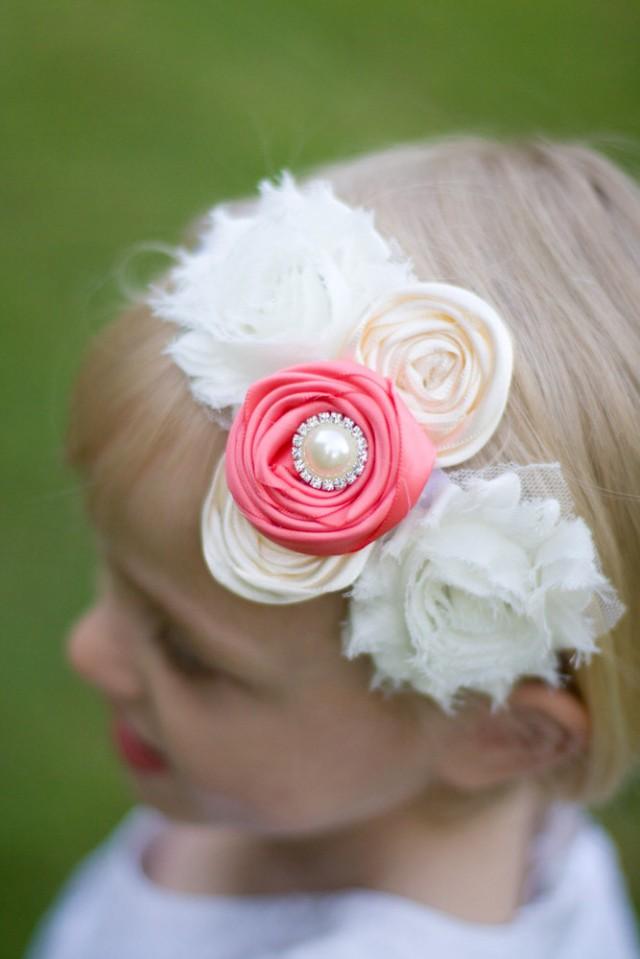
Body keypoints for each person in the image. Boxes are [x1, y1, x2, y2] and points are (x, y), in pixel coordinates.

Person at [26, 138, 640, 958]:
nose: (87, 649)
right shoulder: (286, 785)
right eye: (120, 583)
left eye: (186, 652)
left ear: (496, 733)